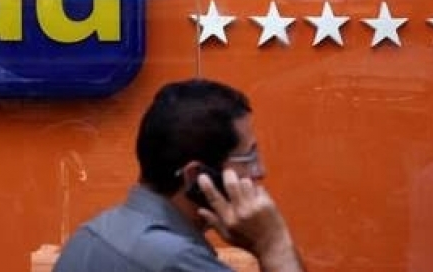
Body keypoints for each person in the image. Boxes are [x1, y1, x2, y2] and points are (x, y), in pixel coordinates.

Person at [53, 78, 305, 272]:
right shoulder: (175, 260)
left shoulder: (93, 233)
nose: (260, 172)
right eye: (248, 158)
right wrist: (274, 246)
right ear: (197, 176)